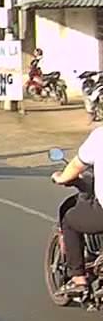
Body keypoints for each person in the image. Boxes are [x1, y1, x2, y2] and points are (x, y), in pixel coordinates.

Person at [51, 127, 103, 296]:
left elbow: (75, 165)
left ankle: (78, 278)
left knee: (69, 219)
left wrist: (61, 178)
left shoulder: (100, 136)